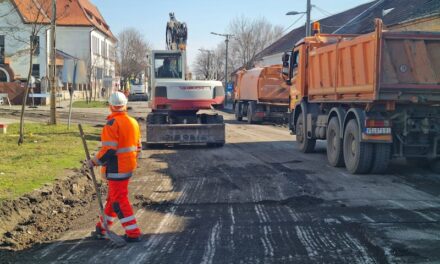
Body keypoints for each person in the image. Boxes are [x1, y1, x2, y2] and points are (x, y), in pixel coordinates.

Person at [89, 91, 142, 242]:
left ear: (110, 106)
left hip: (116, 168)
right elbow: (138, 147)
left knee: (119, 200)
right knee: (113, 198)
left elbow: (109, 150)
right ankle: (102, 228)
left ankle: (133, 233)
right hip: (128, 166)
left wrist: (93, 161)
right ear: (125, 105)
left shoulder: (112, 124)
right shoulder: (133, 122)